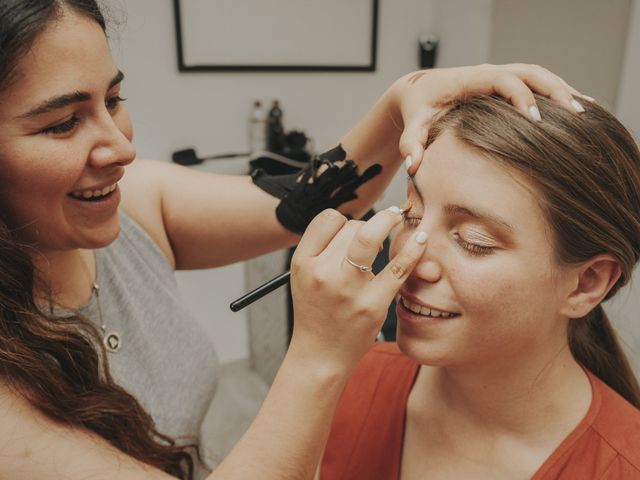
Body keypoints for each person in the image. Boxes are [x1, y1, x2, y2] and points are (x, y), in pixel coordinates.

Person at [0, 0, 587, 478]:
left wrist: (400, 99)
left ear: (589, 281)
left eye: (114, 100)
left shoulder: (137, 208)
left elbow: (310, 205)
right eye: (62, 123)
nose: (123, 147)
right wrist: (321, 354)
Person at [320, 95, 640, 479]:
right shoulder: (356, 375)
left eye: (474, 241)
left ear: (586, 284)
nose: (409, 260)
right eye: (411, 213)